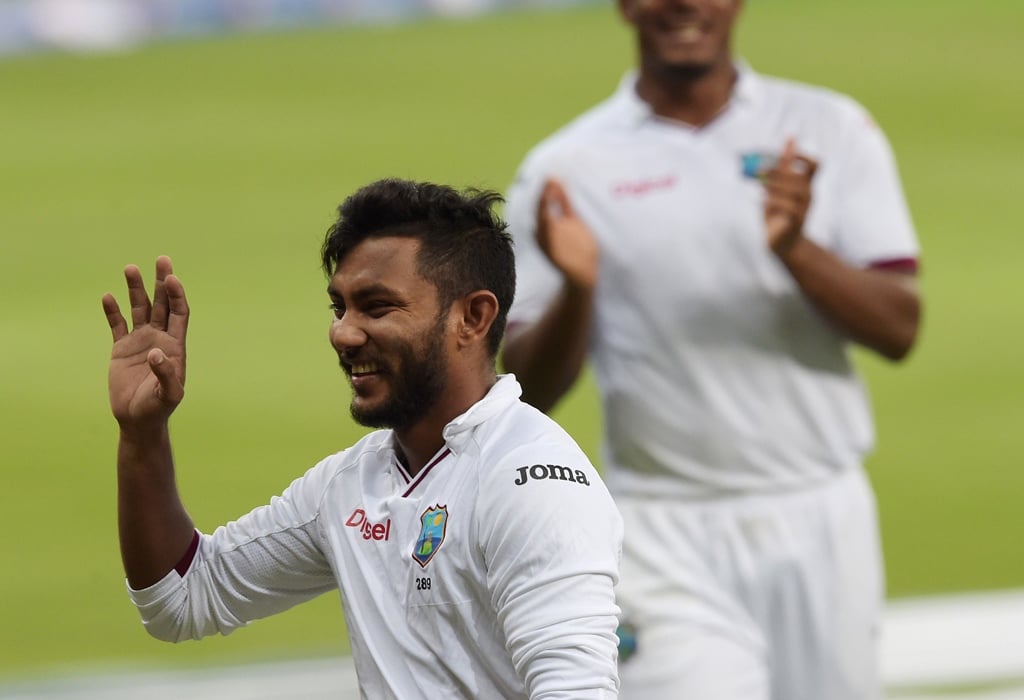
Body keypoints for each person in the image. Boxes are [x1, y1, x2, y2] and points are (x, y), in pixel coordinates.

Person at [500, 1, 922, 699]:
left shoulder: (830, 128)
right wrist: (578, 291)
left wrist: (795, 249)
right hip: (661, 528)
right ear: (626, 6)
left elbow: (900, 329)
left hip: (820, 511)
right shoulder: (565, 169)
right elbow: (529, 388)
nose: (684, 4)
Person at [101, 178, 624, 699]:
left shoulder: (530, 482)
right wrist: (143, 435)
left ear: (473, 317)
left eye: (376, 307)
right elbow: (184, 597)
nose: (343, 334)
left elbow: (575, 691)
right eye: (339, 308)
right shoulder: (353, 483)